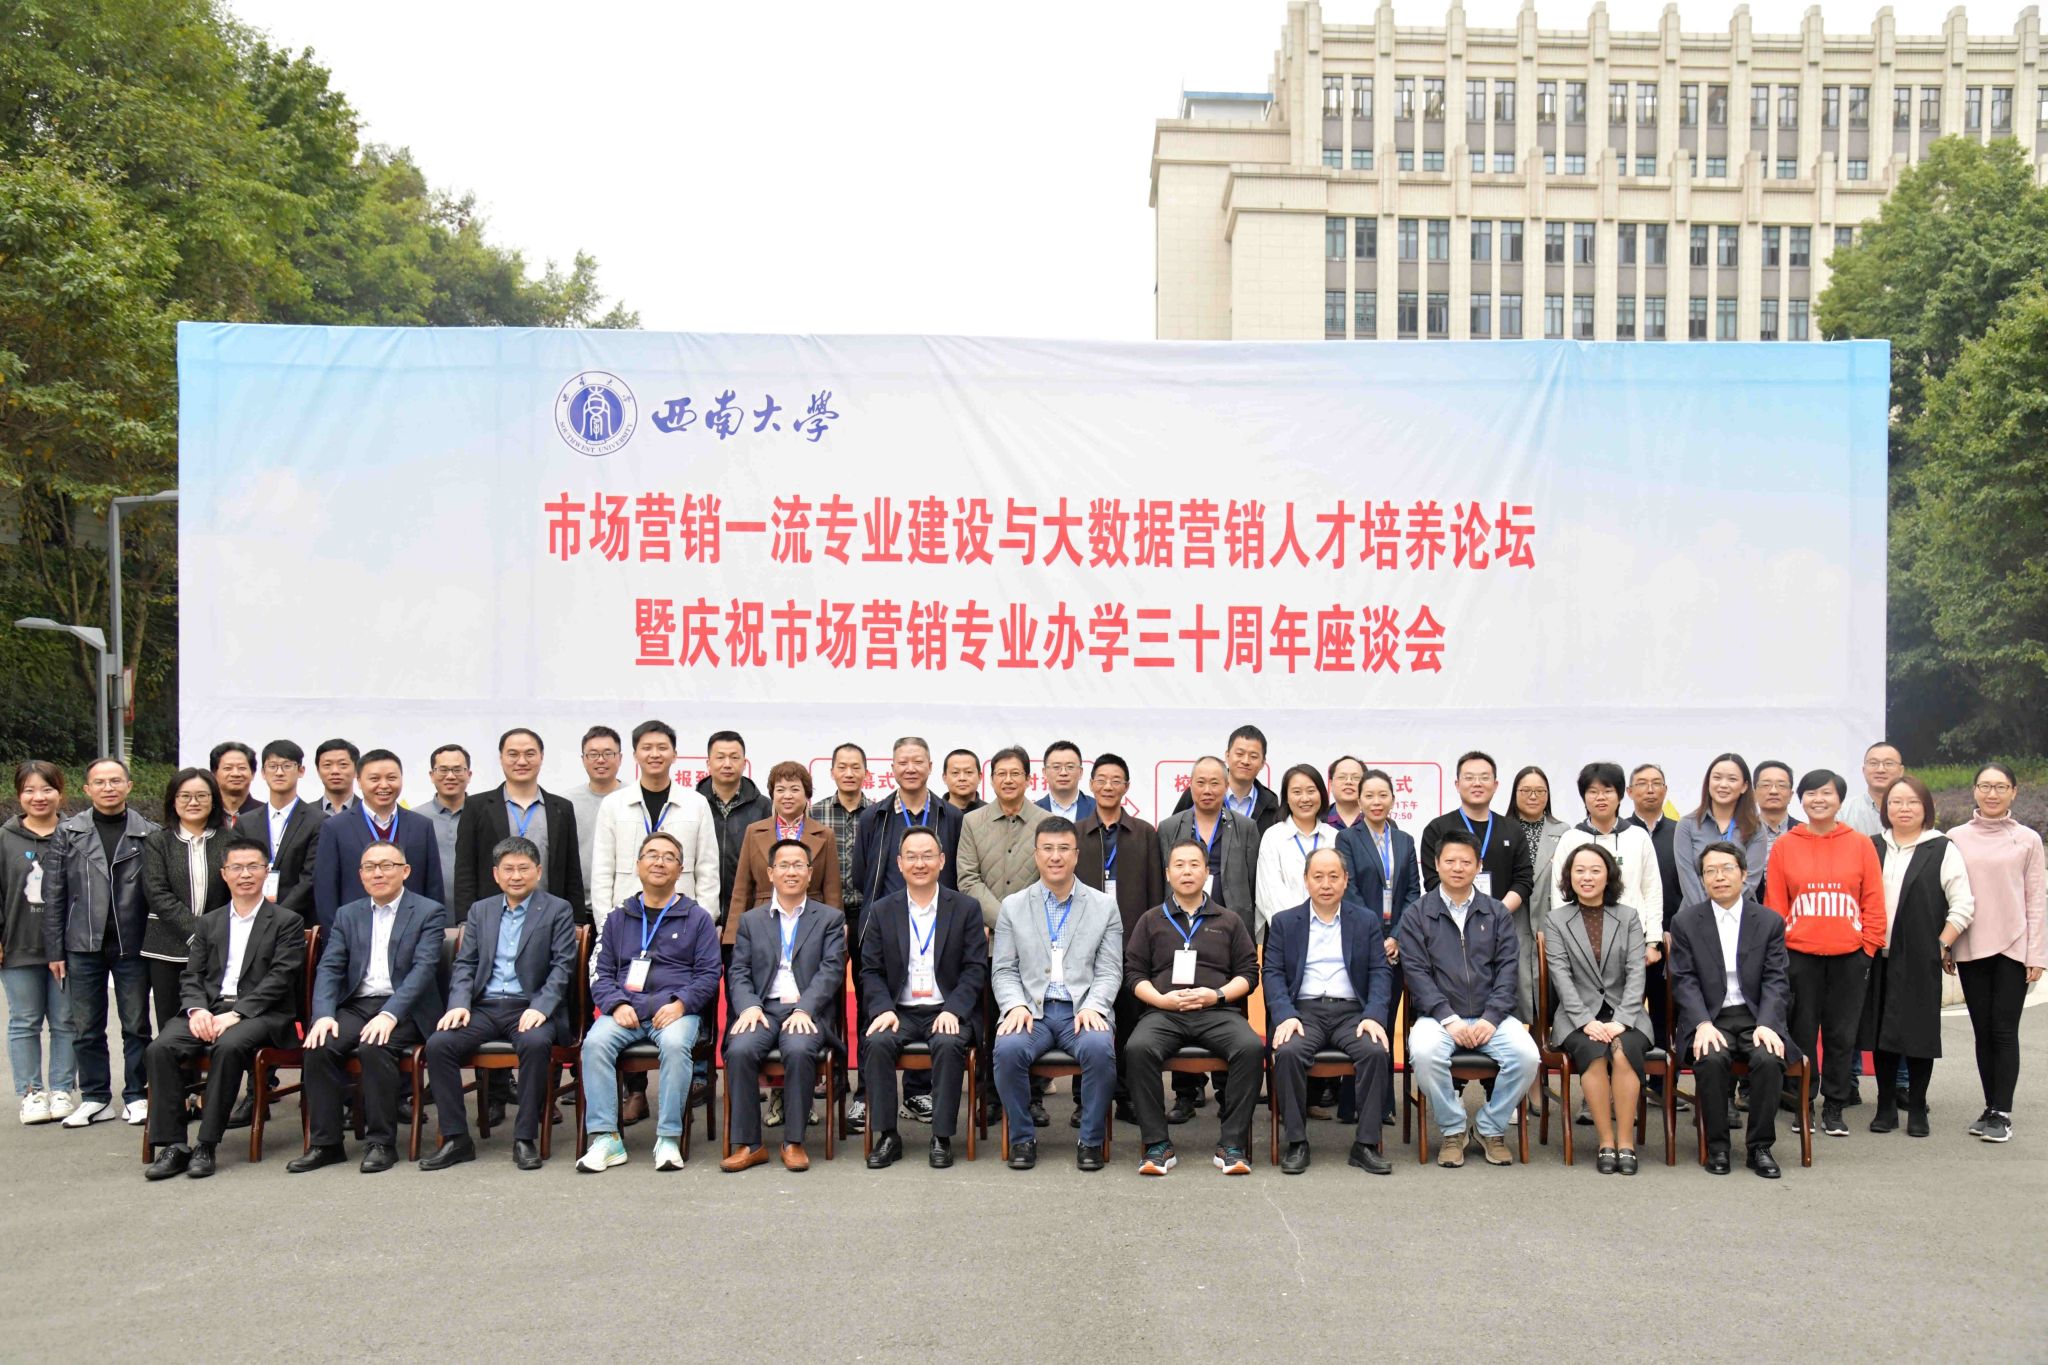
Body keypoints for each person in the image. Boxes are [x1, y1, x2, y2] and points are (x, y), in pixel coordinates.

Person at [140, 835, 304, 1179]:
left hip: (261, 1014)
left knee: (228, 1047)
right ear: (224, 874)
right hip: (210, 1009)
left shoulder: (287, 921)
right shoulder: (209, 922)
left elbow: (281, 978)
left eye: (253, 867)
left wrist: (237, 1013)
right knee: (160, 1048)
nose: (245, 874)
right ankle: (174, 1145)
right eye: (237, 867)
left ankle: (206, 1143)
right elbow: (192, 975)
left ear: (266, 872)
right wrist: (197, 1010)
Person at [420, 836, 579, 1172]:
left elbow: (562, 966)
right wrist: (459, 1003)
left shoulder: (558, 909)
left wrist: (541, 1007)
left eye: (523, 868)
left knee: (535, 1043)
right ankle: (456, 1138)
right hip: (485, 1006)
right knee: (439, 1045)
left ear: (538, 871)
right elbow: (465, 963)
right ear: (496, 874)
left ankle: (525, 1137)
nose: (516, 876)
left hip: (530, 1006)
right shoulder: (481, 910)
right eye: (508, 869)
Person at [288, 841, 446, 1174]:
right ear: (360, 875)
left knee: (374, 1045)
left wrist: (390, 1014)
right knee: (319, 1045)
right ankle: (326, 1144)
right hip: (358, 1005)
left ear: (405, 871)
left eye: (387, 865)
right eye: (370, 867)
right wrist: (323, 1015)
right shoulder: (348, 914)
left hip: (407, 1007)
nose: (378, 873)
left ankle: (380, 1143)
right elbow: (330, 968)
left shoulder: (428, 912)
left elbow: (423, 970)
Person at [575, 833, 722, 1173]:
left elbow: (709, 974)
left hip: (675, 1011)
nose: (660, 862)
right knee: (595, 1044)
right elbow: (600, 971)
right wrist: (615, 1004)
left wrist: (681, 1004)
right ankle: (606, 1138)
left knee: (675, 1045)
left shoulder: (697, 917)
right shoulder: (618, 916)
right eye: (652, 855)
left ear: (681, 870)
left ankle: (668, 1138)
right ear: (638, 865)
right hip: (625, 1009)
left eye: (669, 857)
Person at [1398, 829, 1539, 1168]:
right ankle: (1453, 1128)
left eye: (1466, 861)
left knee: (1527, 1057)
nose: (1458, 868)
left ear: (1478, 866)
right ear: (1436, 864)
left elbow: (1508, 970)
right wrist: (1449, 1018)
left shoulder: (1496, 912)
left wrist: (1492, 1018)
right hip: (1438, 1017)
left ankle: (1490, 1127)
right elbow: (1417, 974)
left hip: (1493, 1016)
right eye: (1450, 861)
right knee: (1424, 1053)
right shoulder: (1417, 914)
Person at [1124, 838, 1264, 1175]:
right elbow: (1134, 973)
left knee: (1250, 1047)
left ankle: (1232, 1144)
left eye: (1194, 865)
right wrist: (1161, 999)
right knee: (1137, 1049)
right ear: (1167, 873)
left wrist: (1215, 995)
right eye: (1179, 865)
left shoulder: (1229, 920)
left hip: (1216, 1011)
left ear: (1207, 872)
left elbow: (1249, 974)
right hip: (1164, 1012)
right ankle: (1157, 1145)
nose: (1187, 872)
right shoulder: (1151, 920)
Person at [991, 817, 1122, 1170]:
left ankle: (1090, 1141)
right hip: (1031, 1012)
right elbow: (1003, 969)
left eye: (1064, 848)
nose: (1055, 856)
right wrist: (1014, 1005)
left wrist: (1095, 1006)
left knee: (1099, 1049)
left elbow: (1110, 969)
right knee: (1007, 1050)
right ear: (1036, 855)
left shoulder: (1103, 906)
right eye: (1047, 848)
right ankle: (1022, 1138)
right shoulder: (1013, 906)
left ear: (1076, 855)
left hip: (1081, 1010)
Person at [1763, 769, 1884, 1137]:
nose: (1819, 800)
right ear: (1801, 800)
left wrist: (1867, 949)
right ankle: (1803, 1103)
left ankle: (1835, 1105)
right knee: (1800, 1033)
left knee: (1841, 1034)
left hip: (1849, 957)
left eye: (1827, 793)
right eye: (1811, 793)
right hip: (1799, 956)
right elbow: (1775, 905)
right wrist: (1780, 952)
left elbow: (1873, 901)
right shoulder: (1786, 845)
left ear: (1839, 800)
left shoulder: (1860, 844)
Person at [860, 826, 987, 1169]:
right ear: (899, 863)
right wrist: (882, 1008)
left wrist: (954, 1009)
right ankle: (888, 1135)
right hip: (898, 1010)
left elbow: (975, 968)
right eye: (912, 857)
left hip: (945, 1008)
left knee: (948, 1043)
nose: (920, 864)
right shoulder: (882, 910)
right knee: (877, 1042)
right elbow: (870, 970)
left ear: (942, 861)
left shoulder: (965, 908)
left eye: (927, 856)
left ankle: (941, 1136)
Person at [41, 756, 157, 1127]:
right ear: (87, 789)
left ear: (129, 786)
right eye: (100, 782)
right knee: (86, 1026)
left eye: (115, 781)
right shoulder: (68, 832)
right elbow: (54, 894)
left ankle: (137, 1095)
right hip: (81, 943)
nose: (108, 788)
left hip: (133, 943)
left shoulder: (148, 832)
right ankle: (95, 1097)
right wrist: (55, 950)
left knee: (136, 1024)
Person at [1670, 841, 1797, 1177]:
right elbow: (1684, 980)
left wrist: (1768, 1022)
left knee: (1768, 1059)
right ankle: (1718, 1147)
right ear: (1702, 879)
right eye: (1710, 871)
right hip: (1711, 1017)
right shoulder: (1685, 922)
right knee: (1711, 1058)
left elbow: (1776, 979)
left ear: (1744, 873)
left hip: (1756, 1016)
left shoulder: (1768, 921)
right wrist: (1701, 1023)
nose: (1719, 877)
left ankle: (1760, 1148)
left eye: (1727, 869)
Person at [719, 839, 847, 1173]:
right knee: (740, 1049)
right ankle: (749, 1145)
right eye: (784, 865)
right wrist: (748, 1006)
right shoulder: (751, 920)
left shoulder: (830, 919)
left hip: (806, 1010)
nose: (792, 872)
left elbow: (831, 971)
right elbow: (738, 971)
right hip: (763, 1009)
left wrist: (806, 1008)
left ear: (810, 873)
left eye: (798, 865)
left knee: (800, 1049)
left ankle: (794, 1142)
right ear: (770, 873)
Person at [1264, 846, 1394, 1174]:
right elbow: (1273, 973)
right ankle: (1297, 1142)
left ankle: (1365, 1145)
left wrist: (1374, 1015)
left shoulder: (1365, 920)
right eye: (1318, 876)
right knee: (1288, 1052)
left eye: (1333, 876)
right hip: (1303, 1011)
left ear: (1345, 880)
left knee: (1375, 1051)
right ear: (1306, 880)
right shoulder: (1284, 922)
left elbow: (1380, 971)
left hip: (1351, 1012)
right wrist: (1285, 1015)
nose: (1326, 884)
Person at [1863, 774, 1973, 1138]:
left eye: (1912, 802)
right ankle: (1885, 1106)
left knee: (1919, 1034)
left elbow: (1963, 905)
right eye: (1896, 802)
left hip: (1920, 957)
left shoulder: (1941, 848)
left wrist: (1941, 945)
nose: (1904, 809)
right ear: (1885, 808)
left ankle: (1917, 1107)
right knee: (1881, 1032)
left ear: (1926, 807)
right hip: (1877, 955)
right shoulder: (1872, 846)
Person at [1154, 756, 1259, 1122]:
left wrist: (1246, 927)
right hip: (1182, 926)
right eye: (1200, 782)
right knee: (1183, 999)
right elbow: (1164, 878)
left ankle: (1229, 1091)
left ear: (1227, 786)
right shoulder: (1171, 826)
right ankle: (1186, 1093)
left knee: (1230, 1006)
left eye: (1215, 782)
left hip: (1227, 929)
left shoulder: (1245, 827)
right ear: (1190, 785)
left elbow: (1252, 880)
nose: (1208, 789)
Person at [1945, 763, 2046, 1144]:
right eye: (1985, 786)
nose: (1992, 793)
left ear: (2014, 792)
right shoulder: (1955, 838)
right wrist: (1947, 942)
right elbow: (1947, 893)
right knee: (1982, 1031)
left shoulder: (2028, 839)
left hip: (2013, 945)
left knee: (2003, 1030)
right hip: (1971, 944)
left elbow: (2036, 899)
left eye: (2000, 787)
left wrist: (2037, 954)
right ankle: (1990, 1106)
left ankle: (2002, 1112)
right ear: (1974, 790)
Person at [1544, 844, 1651, 1175]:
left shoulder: (1628, 917)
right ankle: (1606, 1141)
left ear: (1609, 875)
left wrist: (1622, 1020)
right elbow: (1561, 976)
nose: (1587, 877)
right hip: (1577, 1016)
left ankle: (1626, 1143)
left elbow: (1636, 972)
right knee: (1593, 1052)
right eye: (1579, 871)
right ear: (1569, 877)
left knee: (1622, 1051)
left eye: (1595, 870)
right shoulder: (1556, 920)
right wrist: (1585, 1020)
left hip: (1626, 1013)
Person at [1553, 763, 1664, 1067]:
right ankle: (1598, 1078)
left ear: (1620, 795)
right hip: (1582, 949)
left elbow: (1652, 890)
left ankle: (1634, 1083)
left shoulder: (1638, 837)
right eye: (1592, 792)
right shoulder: (1571, 838)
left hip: (1632, 945)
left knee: (1628, 1025)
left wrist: (1653, 942)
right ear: (1583, 797)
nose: (1600, 798)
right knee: (1592, 1026)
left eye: (1607, 791)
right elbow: (1558, 896)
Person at [1074, 754, 1164, 1121]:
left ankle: (1126, 1096)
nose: (1108, 786)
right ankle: (1084, 1100)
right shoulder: (1077, 833)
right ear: (1091, 785)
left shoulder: (1144, 833)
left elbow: (1156, 891)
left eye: (1116, 780)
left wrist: (1153, 940)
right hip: (1084, 945)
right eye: (1101, 779)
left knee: (1130, 1021)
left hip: (1132, 944)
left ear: (1126, 787)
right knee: (1085, 1019)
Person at [590, 720, 720, 925]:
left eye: (662, 748)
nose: (655, 754)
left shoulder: (696, 804)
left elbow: (708, 871)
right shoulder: (613, 804)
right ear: (635, 755)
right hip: (626, 920)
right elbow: (602, 871)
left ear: (674, 755)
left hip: (683, 921)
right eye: (647, 748)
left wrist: (702, 924)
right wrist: (606, 925)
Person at [451, 727, 585, 924]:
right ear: (501, 758)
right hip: (493, 920)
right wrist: (465, 921)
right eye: (513, 754)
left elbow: (572, 870)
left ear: (541, 757)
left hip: (549, 919)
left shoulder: (561, 808)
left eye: (530, 754)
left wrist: (577, 921)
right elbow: (465, 869)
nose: (521, 761)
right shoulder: (476, 807)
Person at [4, 762, 76, 1124]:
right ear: (19, 795)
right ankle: (31, 1093)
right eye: (30, 790)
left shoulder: (76, 834)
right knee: (24, 1021)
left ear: (60, 793)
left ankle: (62, 1089)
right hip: (18, 943)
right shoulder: (5, 838)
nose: (39, 797)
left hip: (67, 947)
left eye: (47, 789)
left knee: (65, 1020)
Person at [811, 741, 874, 1133]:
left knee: (869, 1002)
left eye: (856, 767)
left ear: (866, 772)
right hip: (825, 918)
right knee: (827, 1001)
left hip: (868, 917)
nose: (849, 773)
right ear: (832, 771)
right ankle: (832, 1081)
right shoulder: (815, 813)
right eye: (842, 767)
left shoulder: (878, 813)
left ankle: (865, 1092)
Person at [310, 749, 443, 934]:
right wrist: (338, 939)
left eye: (391, 778)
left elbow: (433, 887)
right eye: (374, 779)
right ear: (359, 781)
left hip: (411, 934)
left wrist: (430, 934)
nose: (384, 785)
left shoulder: (421, 826)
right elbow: (326, 891)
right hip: (355, 934)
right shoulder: (335, 827)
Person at [140, 768, 231, 1028]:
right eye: (185, 796)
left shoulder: (230, 840)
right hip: (167, 948)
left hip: (218, 947)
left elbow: (236, 890)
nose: (193, 802)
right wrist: (195, 933)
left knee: (214, 1023)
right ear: (173, 800)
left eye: (202, 795)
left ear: (213, 800)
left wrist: (213, 935)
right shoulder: (158, 841)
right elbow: (157, 892)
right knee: (171, 1025)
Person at [851, 737, 964, 922]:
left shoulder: (951, 816)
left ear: (930, 766)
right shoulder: (873, 817)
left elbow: (959, 873)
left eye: (918, 762)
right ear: (893, 768)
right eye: (903, 763)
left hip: (940, 920)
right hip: (887, 921)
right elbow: (861, 876)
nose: (910, 769)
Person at [1420, 751, 1535, 924]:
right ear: (1457, 784)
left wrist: (1497, 913)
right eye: (1469, 778)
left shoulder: (1513, 829)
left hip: (1502, 924)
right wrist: (1465, 913)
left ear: (1495, 785)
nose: (1477, 783)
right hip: (1450, 924)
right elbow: (1432, 881)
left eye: (1484, 778)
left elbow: (1523, 879)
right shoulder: (1437, 829)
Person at [729, 762, 841, 930]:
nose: (787, 796)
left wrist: (836, 929)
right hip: (763, 920)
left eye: (795, 789)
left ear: (807, 794)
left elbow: (832, 891)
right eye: (780, 790)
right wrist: (733, 934)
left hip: (813, 922)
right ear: (772, 795)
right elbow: (742, 889)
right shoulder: (754, 831)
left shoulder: (825, 835)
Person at [958, 746, 1050, 930]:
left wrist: (1025, 923)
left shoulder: (1047, 822)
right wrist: (1002, 919)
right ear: (992, 780)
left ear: (1028, 780)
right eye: (1001, 774)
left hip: (1035, 931)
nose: (1008, 780)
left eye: (1015, 773)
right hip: (988, 934)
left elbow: (1053, 877)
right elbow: (968, 879)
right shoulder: (972, 822)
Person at [1507, 765, 1568, 1024]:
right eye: (1526, 790)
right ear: (1515, 794)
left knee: (1549, 991)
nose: (1533, 796)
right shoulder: (1501, 829)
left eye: (1540, 791)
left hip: (1550, 920)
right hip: (1513, 920)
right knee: (1513, 987)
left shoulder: (1564, 832)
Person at [238, 740, 323, 918]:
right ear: (263, 773)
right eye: (273, 766)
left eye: (287, 766)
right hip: (251, 916)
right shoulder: (245, 822)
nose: (279, 772)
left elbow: (310, 877)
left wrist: (277, 916)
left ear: (301, 771)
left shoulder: (318, 821)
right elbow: (237, 870)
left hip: (298, 919)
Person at [1254, 764, 1335, 943]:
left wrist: (1323, 925)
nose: (1305, 798)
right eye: (1297, 792)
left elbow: (1340, 888)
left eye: (1311, 791)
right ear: (1287, 798)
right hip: (1285, 935)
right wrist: (1298, 926)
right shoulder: (1273, 836)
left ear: (1322, 794)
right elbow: (1269, 892)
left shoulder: (1334, 837)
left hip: (1329, 935)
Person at [1675, 754, 1771, 905]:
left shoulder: (1756, 828)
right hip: (1695, 913)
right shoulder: (1687, 825)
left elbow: (1751, 880)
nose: (1723, 784)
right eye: (1717, 778)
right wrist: (1708, 913)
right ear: (1708, 782)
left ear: (1744, 786)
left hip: (1740, 914)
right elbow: (1688, 879)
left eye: (1732, 779)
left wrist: (1725, 909)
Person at [698, 730, 771, 911]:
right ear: (708, 763)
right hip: (699, 910)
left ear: (744, 763)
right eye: (720, 757)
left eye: (734, 757)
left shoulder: (764, 807)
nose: (727, 764)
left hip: (750, 911)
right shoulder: (692, 805)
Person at [1171, 724, 1281, 836]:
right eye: (1240, 754)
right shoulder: (1198, 793)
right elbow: (1173, 833)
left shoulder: (1270, 803)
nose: (1245, 761)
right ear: (1227, 756)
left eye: (1253, 756)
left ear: (1262, 763)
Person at [1625, 763, 1683, 960]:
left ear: (1665, 790)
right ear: (1629, 792)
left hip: (1676, 932)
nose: (1650, 789)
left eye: (1656, 783)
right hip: (1629, 934)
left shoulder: (1681, 832)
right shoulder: (1620, 833)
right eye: (1642, 783)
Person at [566, 725, 624, 919]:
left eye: (608, 753)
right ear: (583, 759)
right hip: (576, 908)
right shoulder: (566, 803)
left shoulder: (633, 799)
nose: (600, 760)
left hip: (624, 907)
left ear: (620, 758)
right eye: (593, 754)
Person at [417, 743, 471, 894]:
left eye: (457, 770)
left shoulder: (483, 814)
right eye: (443, 770)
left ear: (469, 775)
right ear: (431, 775)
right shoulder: (416, 818)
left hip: (477, 905)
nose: (450, 776)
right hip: (428, 903)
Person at [1840, 742, 1905, 838]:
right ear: (1864, 770)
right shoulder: (1843, 811)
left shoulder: (1913, 811)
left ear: (1901, 771)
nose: (1881, 770)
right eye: (1873, 763)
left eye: (1888, 763)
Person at [1753, 760, 1802, 861]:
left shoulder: (1805, 832)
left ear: (1790, 795)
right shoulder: (1740, 832)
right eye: (1766, 785)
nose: (1773, 791)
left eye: (1781, 785)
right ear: (1754, 794)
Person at [1035, 741, 1096, 821]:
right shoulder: (1034, 812)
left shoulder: (1097, 808)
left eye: (1070, 767)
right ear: (1045, 772)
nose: (1063, 773)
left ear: (1080, 772)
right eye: (1056, 767)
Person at [209, 742, 259, 826]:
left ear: (253, 774)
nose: (236, 774)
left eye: (242, 768)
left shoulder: (266, 814)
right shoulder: (205, 814)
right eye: (228, 768)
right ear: (214, 774)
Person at [312, 739, 359, 815]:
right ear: (318, 771)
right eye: (327, 765)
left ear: (357, 770)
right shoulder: (305, 815)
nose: (335, 771)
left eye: (343, 764)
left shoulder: (369, 811)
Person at [1324, 756, 1368, 832]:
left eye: (1356, 777)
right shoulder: (1316, 821)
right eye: (1342, 777)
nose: (1348, 781)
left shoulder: (1379, 822)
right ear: (1331, 784)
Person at [941, 749, 985, 814]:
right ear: (944, 778)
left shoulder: (990, 813)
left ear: (980, 777)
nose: (962, 778)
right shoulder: (935, 813)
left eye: (968, 772)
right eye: (955, 772)